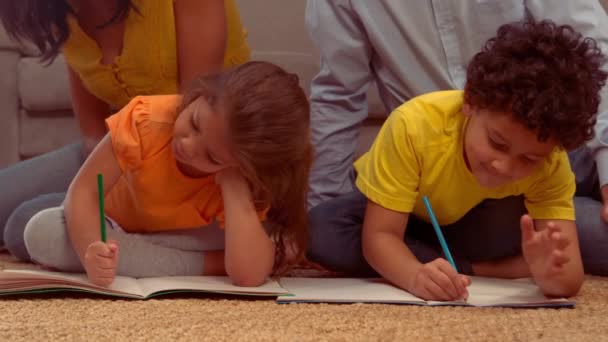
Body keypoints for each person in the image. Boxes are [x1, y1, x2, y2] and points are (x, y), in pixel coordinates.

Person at [308, 19, 607, 300]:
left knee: (524, 229)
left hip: (477, 223)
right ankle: (479, 268)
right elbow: (381, 235)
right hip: (403, 213)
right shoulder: (415, 125)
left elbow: (569, 277)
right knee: (322, 231)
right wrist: (414, 276)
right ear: (470, 102)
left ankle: (455, 262)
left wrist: (547, 274)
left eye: (529, 159)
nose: (505, 166)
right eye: (497, 143)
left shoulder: (551, 161)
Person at [22, 61, 313, 287]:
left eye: (210, 156)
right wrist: (91, 252)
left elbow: (248, 276)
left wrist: (234, 183)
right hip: (116, 223)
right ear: (201, 95)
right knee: (39, 231)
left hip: (187, 234)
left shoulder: (239, 173)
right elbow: (85, 192)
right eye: (195, 123)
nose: (187, 146)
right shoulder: (147, 119)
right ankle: (209, 263)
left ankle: (157, 256)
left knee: (248, 250)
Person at [0, 0, 251, 261]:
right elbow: (92, 129)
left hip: (197, 161)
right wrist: (94, 190)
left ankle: (179, 256)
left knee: (27, 229)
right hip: (122, 150)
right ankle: (166, 247)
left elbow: (196, 113)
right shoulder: (55, 8)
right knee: (19, 223)